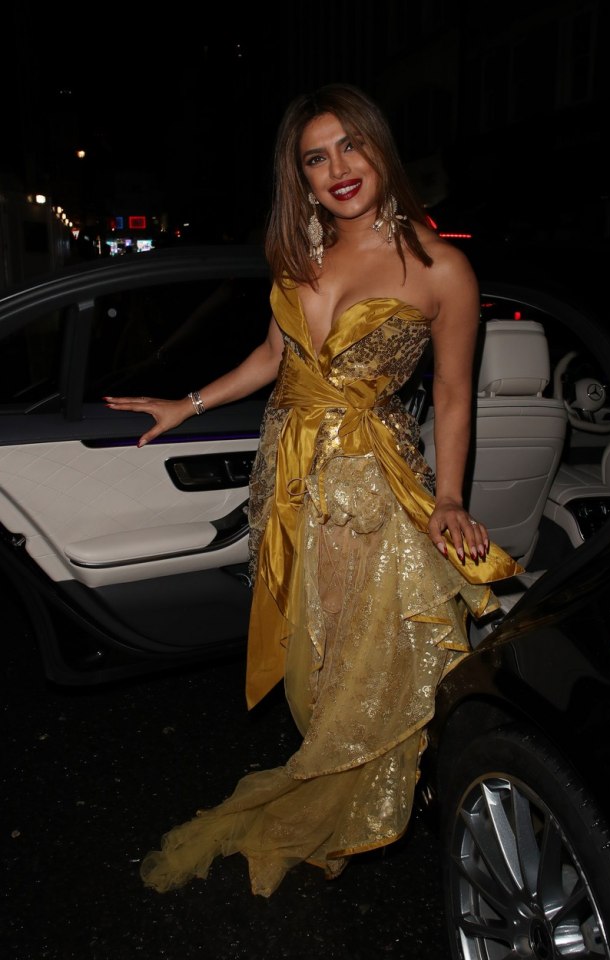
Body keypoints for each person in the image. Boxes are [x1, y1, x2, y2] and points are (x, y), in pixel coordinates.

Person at [105, 83, 521, 898]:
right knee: (314, 661)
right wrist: (186, 404)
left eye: (350, 145)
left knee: (374, 664)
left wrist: (449, 500)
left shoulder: (441, 267)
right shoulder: (302, 251)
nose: (338, 168)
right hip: (291, 480)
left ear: (380, 147)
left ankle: (360, 807)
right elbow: (274, 357)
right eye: (316, 158)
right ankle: (338, 796)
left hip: (371, 488)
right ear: (300, 176)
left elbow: (452, 395)